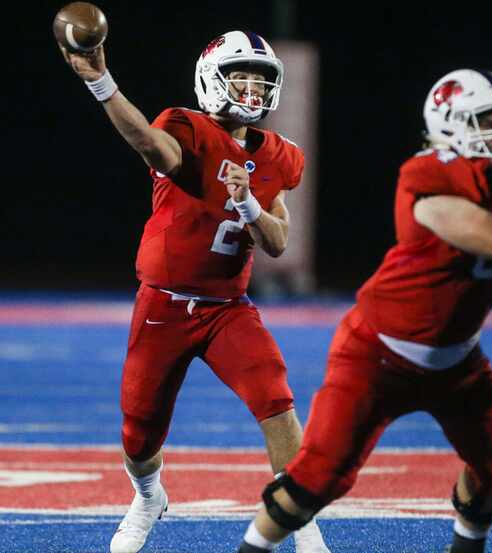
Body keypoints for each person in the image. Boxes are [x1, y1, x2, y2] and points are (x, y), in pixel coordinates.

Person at [235, 68, 492, 553]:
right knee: (318, 479)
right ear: (450, 124)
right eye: (491, 119)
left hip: (456, 361)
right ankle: (251, 548)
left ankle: (466, 547)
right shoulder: (429, 176)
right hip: (377, 355)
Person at [58, 30, 330, 553]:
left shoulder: (280, 157)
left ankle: (304, 525)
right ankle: (148, 496)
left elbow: (275, 243)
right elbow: (147, 143)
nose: (252, 89)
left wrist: (249, 204)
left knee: (277, 401)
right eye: (240, 76)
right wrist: (101, 81)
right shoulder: (183, 128)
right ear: (211, 78)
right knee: (140, 434)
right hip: (163, 303)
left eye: (261, 79)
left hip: (228, 308)